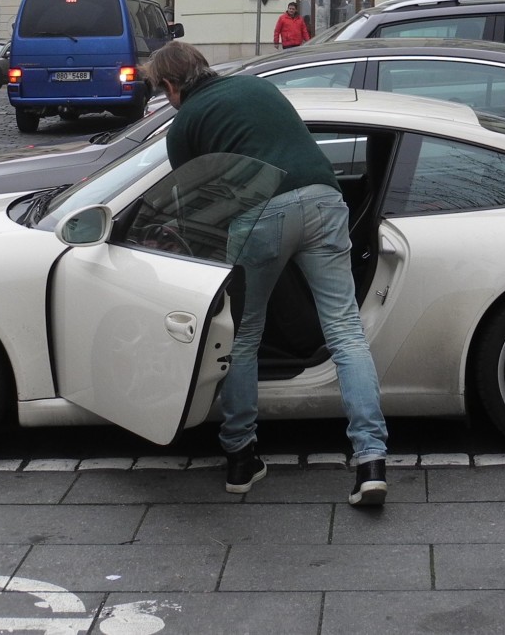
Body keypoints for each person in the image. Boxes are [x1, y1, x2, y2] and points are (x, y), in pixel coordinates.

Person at [142, 41, 389, 507]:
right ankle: (371, 461)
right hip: (322, 198)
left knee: (244, 336)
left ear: (171, 87)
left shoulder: (184, 126)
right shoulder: (258, 87)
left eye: (162, 89)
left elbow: (195, 203)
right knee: (345, 332)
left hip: (258, 217)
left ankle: (241, 458)